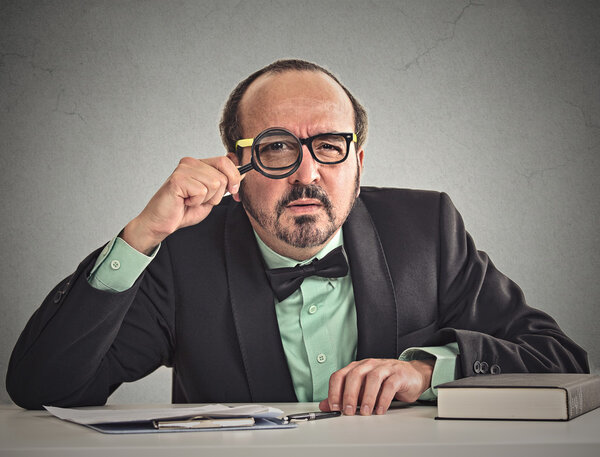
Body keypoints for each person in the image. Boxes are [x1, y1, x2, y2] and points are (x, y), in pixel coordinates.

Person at [6, 59, 588, 414]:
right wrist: (138, 239)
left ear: (358, 163)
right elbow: (43, 389)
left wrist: (426, 372)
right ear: (236, 169)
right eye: (277, 147)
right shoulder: (180, 255)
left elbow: (561, 361)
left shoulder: (428, 230)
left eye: (329, 147)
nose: (308, 174)